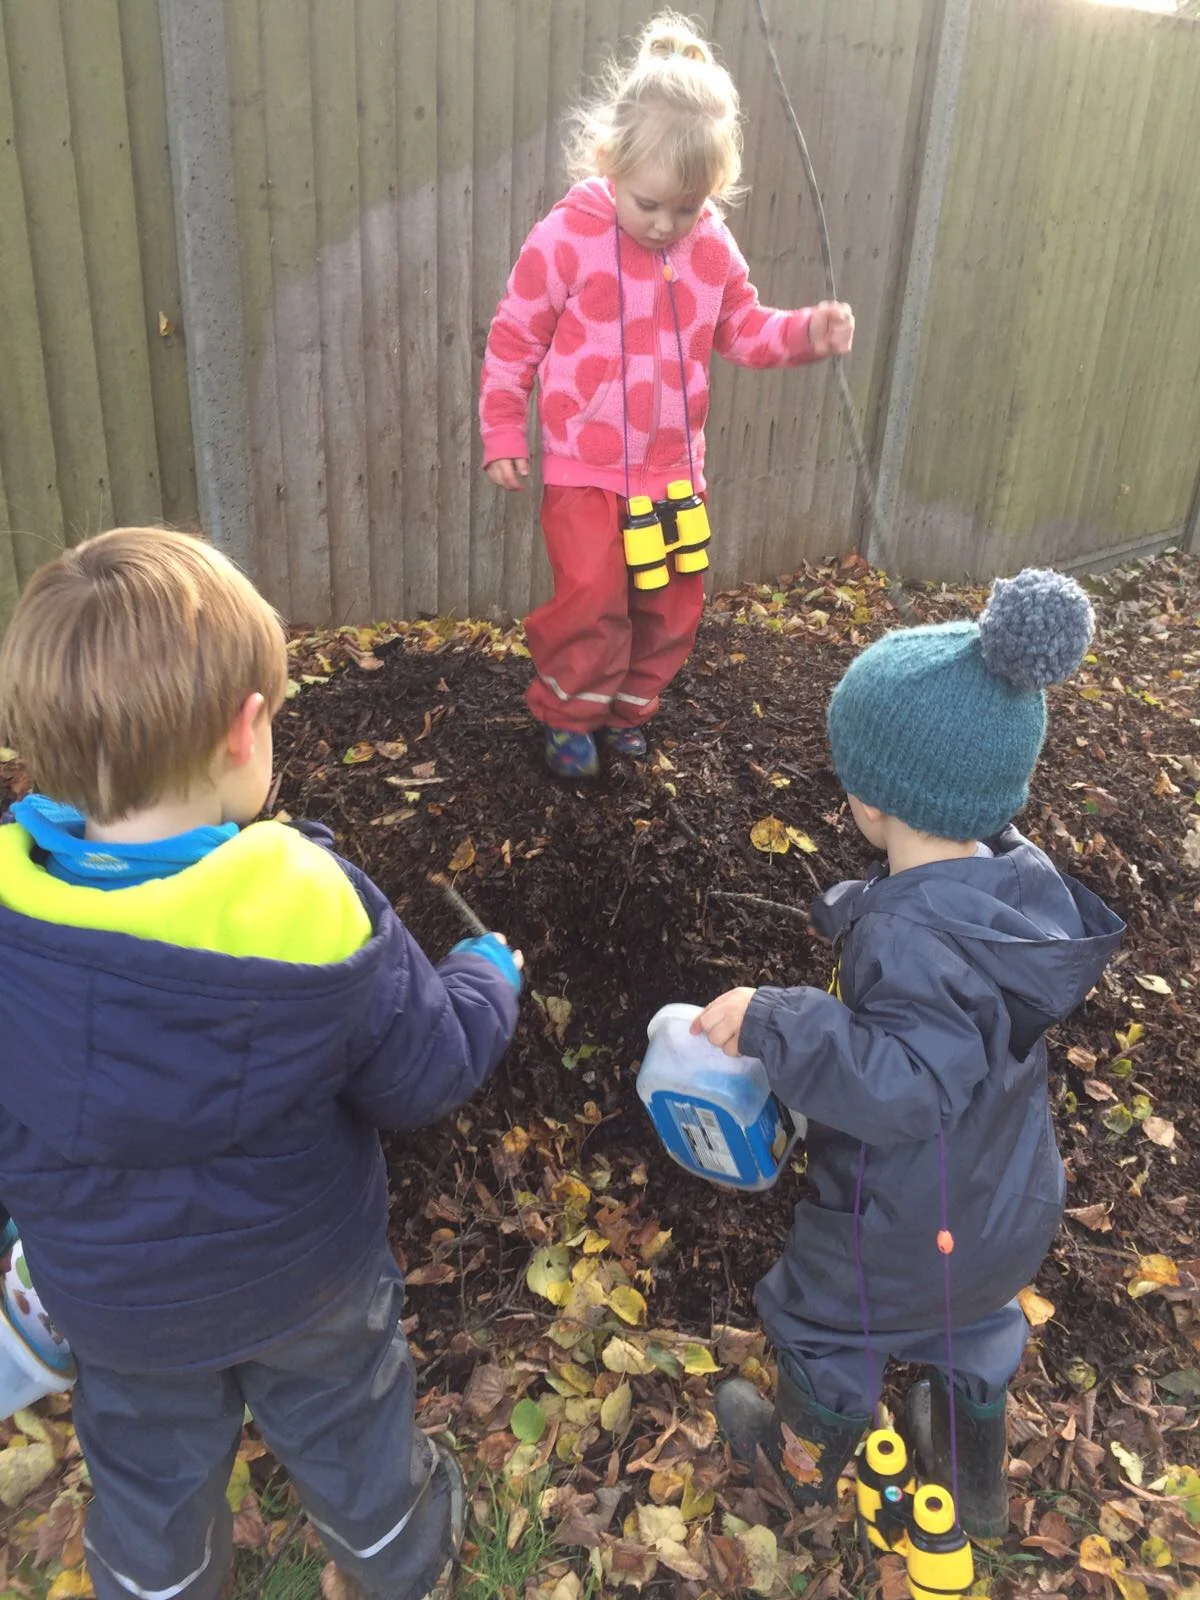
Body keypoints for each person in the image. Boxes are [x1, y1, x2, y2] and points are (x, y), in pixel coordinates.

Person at [0, 528, 523, 1600]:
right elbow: (421, 1073)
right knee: (354, 1431)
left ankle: (161, 1585)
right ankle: (394, 1562)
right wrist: (487, 978)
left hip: (114, 1305)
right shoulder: (310, 907)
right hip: (309, 1283)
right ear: (247, 731)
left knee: (145, 1473)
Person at [692, 569, 1125, 1538]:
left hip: (904, 1218)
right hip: (1007, 1203)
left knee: (819, 1318)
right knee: (971, 1317)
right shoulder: (1014, 886)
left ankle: (799, 1466)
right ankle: (973, 1477)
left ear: (878, 799)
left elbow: (909, 1087)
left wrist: (781, 1019)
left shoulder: (912, 940)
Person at [479, 10, 854, 778]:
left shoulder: (708, 244)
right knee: (590, 598)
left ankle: (628, 709)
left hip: (673, 472)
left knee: (671, 601)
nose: (664, 224)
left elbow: (742, 326)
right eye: (649, 203)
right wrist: (503, 432)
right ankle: (570, 714)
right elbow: (516, 336)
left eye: (685, 208)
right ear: (610, 161)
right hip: (587, 466)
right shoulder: (565, 238)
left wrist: (804, 334)